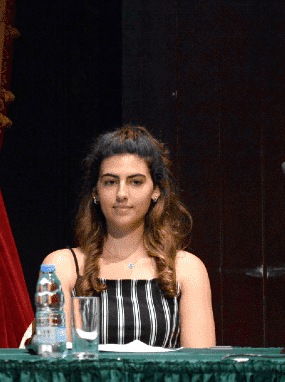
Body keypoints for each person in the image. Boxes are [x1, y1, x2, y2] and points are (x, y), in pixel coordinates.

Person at [38, 125, 215, 348]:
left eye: (136, 182)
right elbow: (52, 366)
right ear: (95, 192)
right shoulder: (62, 266)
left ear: (156, 191)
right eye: (111, 182)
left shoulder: (186, 269)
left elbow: (201, 369)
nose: (122, 194)